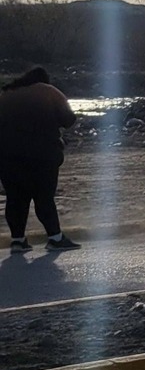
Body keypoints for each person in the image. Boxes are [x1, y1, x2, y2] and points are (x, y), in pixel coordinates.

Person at [0, 67, 79, 251]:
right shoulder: (48, 92)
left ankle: (17, 241)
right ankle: (55, 238)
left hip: (7, 157)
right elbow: (69, 119)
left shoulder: (6, 95)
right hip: (42, 155)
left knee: (15, 199)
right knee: (44, 197)